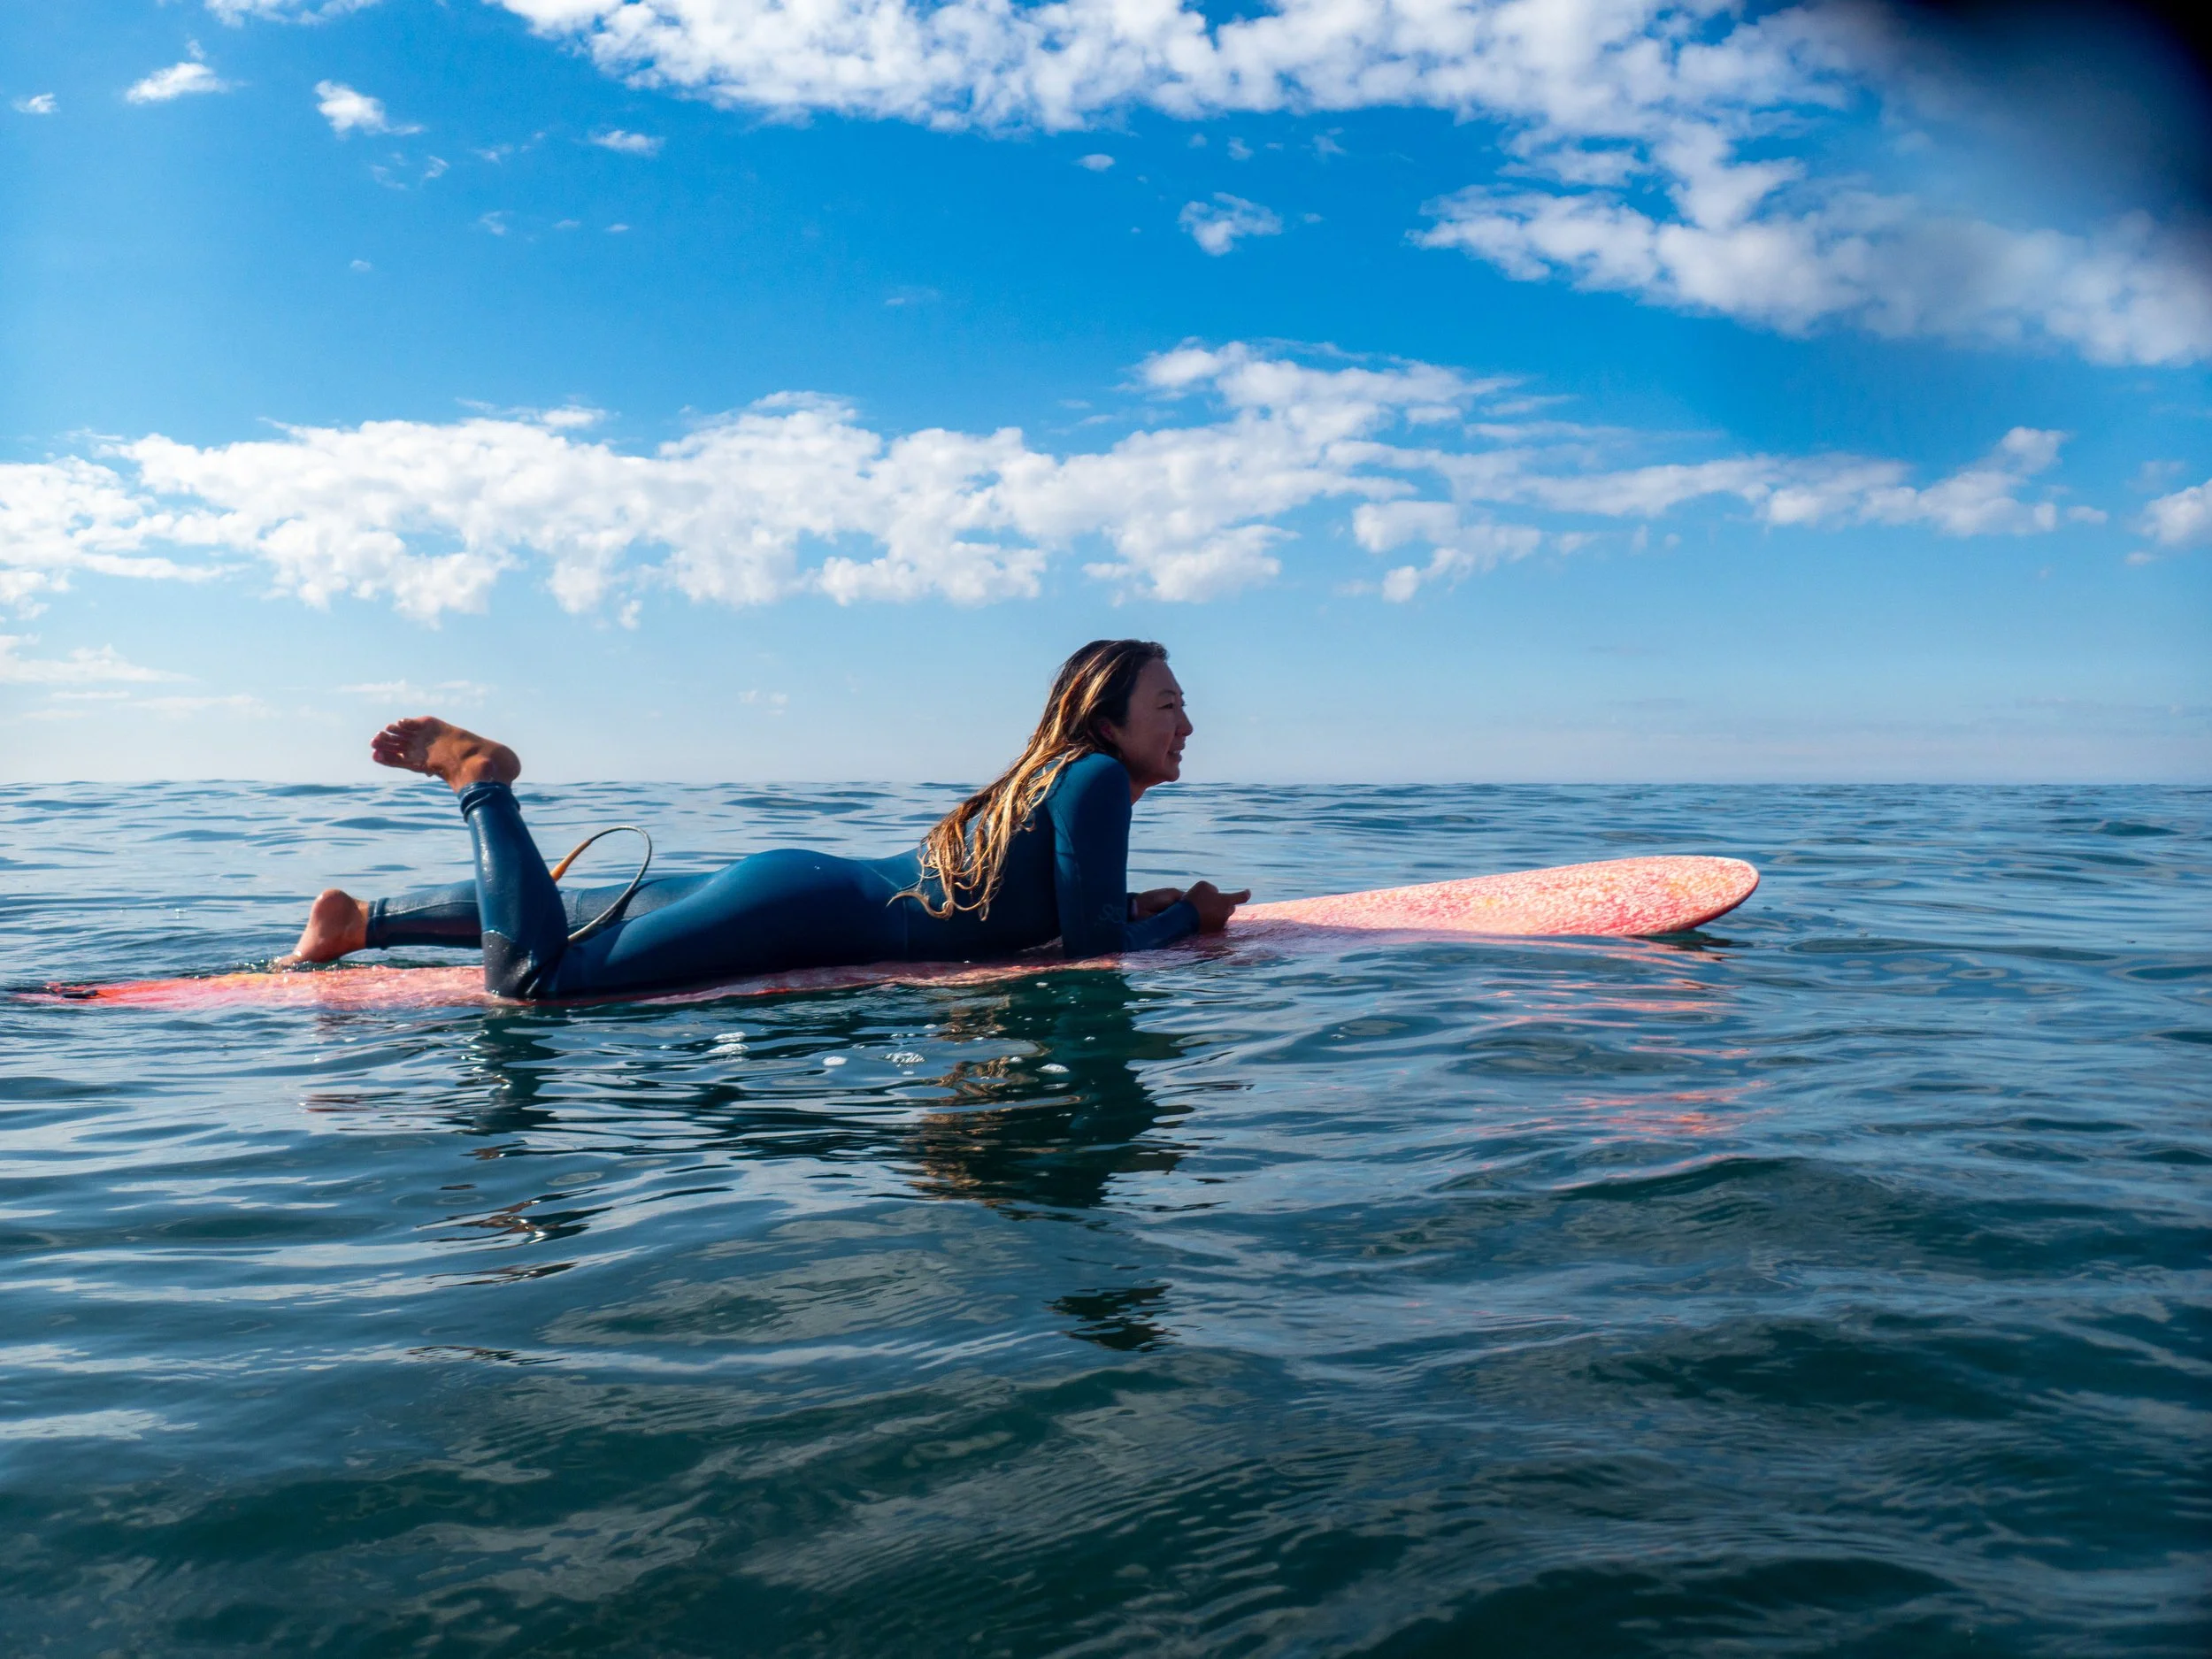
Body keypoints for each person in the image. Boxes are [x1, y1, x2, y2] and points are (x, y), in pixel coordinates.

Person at [285, 639, 1250, 1001]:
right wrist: (1188, 920)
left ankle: (362, 919)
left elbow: (1062, 906)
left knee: (586, 907)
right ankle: (481, 780)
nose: (1187, 724)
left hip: (808, 886)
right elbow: (1090, 954)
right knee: (541, 979)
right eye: (1167, 707)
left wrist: (1138, 901)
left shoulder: (1065, 779)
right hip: (807, 909)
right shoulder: (1088, 779)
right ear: (1106, 717)